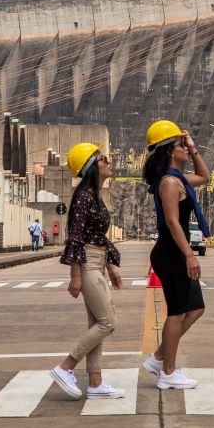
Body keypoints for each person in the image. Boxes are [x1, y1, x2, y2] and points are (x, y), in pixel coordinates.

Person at [49, 143, 125, 400]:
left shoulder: (94, 195)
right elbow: (76, 236)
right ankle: (65, 367)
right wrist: (75, 274)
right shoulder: (83, 197)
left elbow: (97, 236)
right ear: (92, 166)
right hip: (87, 264)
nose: (109, 162)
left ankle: (95, 383)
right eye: (103, 158)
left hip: (98, 261)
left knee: (97, 322)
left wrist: (110, 268)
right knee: (108, 322)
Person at [142, 120, 209, 390]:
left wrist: (194, 150)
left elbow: (204, 177)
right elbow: (172, 222)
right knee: (178, 312)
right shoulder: (170, 182)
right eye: (181, 144)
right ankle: (168, 372)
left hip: (175, 251)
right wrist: (189, 255)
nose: (185, 147)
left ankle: (159, 357)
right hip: (171, 252)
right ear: (170, 150)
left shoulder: (179, 179)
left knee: (195, 308)